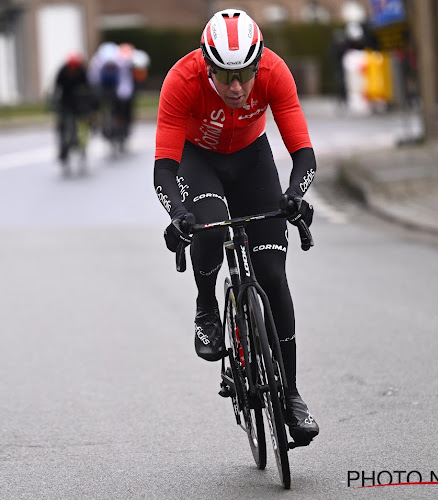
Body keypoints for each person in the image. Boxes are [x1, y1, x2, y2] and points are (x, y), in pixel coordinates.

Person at [154, 9, 319, 445]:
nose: (236, 86)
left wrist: (296, 196)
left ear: (258, 62)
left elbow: (304, 155)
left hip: (251, 158)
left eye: (244, 73)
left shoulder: (275, 73)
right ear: (207, 65)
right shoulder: (182, 80)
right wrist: (176, 214)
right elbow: (164, 170)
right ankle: (206, 306)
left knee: (272, 275)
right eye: (225, 75)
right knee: (208, 229)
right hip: (199, 159)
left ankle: (292, 395)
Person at [52, 52, 94, 164]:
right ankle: (63, 149)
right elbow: (56, 88)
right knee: (62, 124)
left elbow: (89, 88)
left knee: (83, 123)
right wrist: (54, 102)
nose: (73, 71)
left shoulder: (82, 72)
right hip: (65, 100)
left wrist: (90, 105)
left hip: (79, 101)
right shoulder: (62, 71)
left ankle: (83, 147)